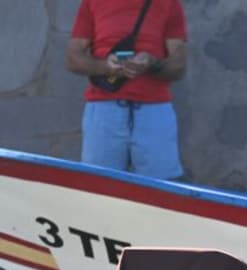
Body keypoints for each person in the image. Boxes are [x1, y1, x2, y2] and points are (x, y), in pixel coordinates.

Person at [66, 0, 188, 179]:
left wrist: (152, 63)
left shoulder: (169, 3)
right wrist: (104, 67)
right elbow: (73, 58)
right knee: (99, 186)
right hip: (104, 109)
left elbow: (178, 66)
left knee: (161, 188)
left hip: (154, 110)